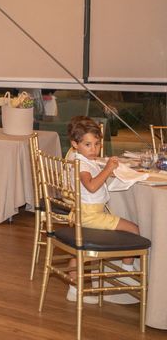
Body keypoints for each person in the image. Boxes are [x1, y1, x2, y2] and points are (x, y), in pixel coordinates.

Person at [65, 115, 141, 303]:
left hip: (81, 213)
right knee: (134, 230)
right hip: (90, 215)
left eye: (97, 144)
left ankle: (73, 290)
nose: (94, 149)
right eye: (88, 145)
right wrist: (107, 169)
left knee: (79, 254)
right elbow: (91, 186)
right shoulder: (81, 164)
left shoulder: (75, 156)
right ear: (75, 144)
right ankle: (125, 272)